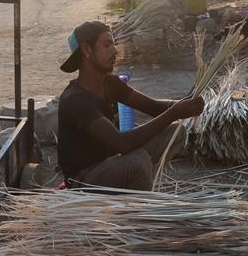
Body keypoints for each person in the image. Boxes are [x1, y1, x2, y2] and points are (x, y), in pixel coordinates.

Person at [57, 21, 204, 190]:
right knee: (137, 161)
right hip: (84, 180)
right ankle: (142, 205)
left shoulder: (110, 83)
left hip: (109, 164)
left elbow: (153, 106)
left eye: (113, 44)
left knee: (175, 131)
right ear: (86, 50)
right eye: (107, 45)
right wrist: (174, 113)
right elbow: (121, 143)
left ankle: (142, 187)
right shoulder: (76, 100)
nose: (115, 51)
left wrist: (185, 104)